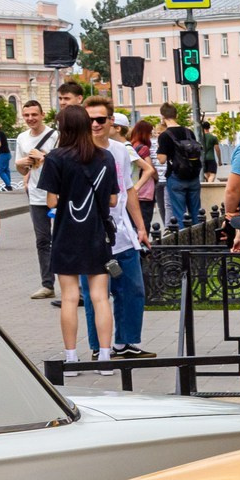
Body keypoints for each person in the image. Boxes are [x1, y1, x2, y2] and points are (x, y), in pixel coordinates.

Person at [39, 103, 117, 361]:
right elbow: (114, 200)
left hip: (66, 234)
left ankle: (71, 356)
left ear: (63, 128)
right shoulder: (106, 157)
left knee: (70, 298)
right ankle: (105, 357)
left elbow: (51, 201)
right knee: (100, 298)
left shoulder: (55, 158)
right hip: (97, 234)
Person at [80, 96, 153, 358]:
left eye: (101, 119)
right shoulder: (77, 152)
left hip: (122, 232)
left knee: (132, 288)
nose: (96, 124)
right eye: (90, 120)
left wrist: (140, 227)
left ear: (111, 121)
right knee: (94, 295)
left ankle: (127, 342)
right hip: (89, 235)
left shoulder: (120, 150)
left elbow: (128, 190)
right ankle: (98, 346)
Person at [10, 99, 55, 297]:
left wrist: (45, 157)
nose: (30, 119)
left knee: (64, 239)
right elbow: (22, 169)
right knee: (43, 240)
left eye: (34, 115)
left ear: (42, 115)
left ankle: (75, 285)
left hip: (59, 194)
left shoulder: (55, 135)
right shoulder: (22, 138)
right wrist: (21, 163)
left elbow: (65, 162)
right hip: (37, 195)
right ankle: (47, 284)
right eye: (27, 115)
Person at [156, 108, 204, 231]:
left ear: (163, 117)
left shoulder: (165, 135)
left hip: (176, 176)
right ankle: (198, 241)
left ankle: (184, 244)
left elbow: (162, 159)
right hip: (193, 176)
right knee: (196, 212)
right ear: (176, 115)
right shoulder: (189, 132)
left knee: (179, 213)